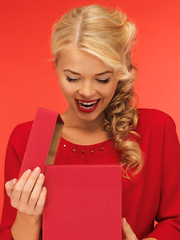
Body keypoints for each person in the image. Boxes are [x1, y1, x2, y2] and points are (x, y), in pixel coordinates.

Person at [0, 4, 180, 240]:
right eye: (73, 78)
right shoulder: (30, 138)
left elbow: (176, 220)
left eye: (102, 79)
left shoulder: (156, 129)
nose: (87, 91)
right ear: (56, 67)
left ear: (120, 71)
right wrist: (26, 214)